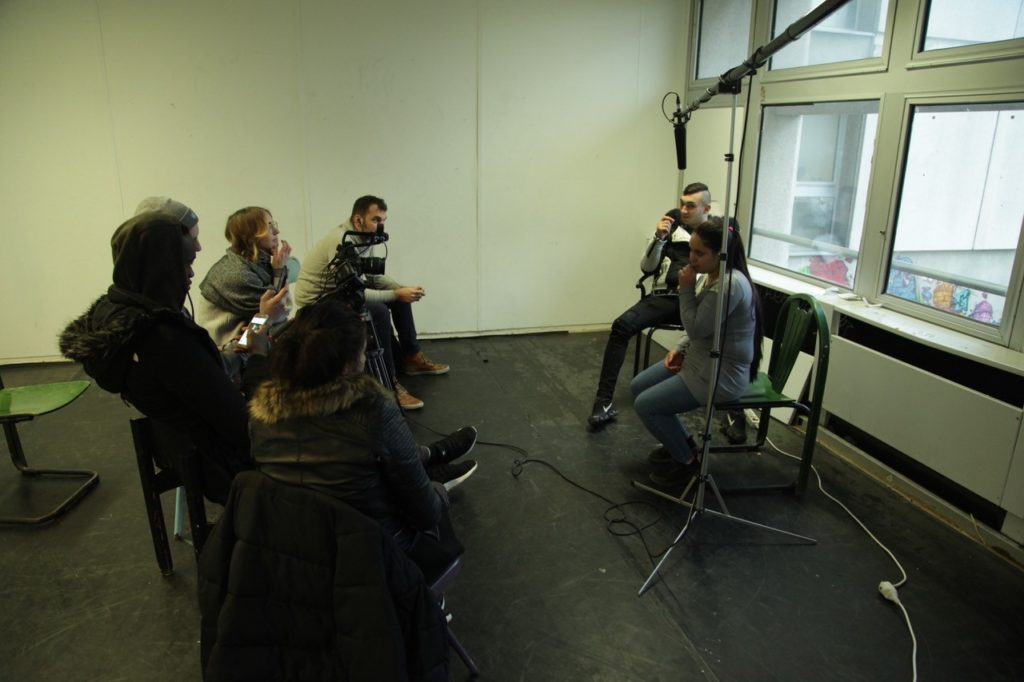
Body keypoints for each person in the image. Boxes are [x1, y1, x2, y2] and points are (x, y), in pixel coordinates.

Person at [59, 197, 276, 503]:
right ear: (163, 267)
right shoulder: (165, 337)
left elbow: (204, 372)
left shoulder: (121, 317)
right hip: (229, 468)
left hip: (188, 454)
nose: (191, 274)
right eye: (186, 263)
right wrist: (257, 355)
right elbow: (246, 429)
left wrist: (243, 345)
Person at [247, 298, 476, 584]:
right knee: (435, 494)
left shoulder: (261, 417)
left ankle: (431, 455)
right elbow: (426, 514)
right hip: (374, 555)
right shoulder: (372, 412)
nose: (366, 357)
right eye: (363, 351)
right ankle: (431, 469)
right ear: (346, 367)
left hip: (295, 554)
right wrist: (436, 495)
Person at [629, 217, 764, 487]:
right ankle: (682, 444)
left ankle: (687, 462)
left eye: (700, 253)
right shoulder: (714, 275)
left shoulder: (728, 285)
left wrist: (686, 289)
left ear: (721, 254)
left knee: (646, 405)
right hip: (699, 361)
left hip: (718, 375)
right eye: (691, 249)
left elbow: (696, 328)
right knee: (638, 386)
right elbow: (701, 330)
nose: (691, 258)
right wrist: (680, 349)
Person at [293, 195, 448, 410]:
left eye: (383, 220)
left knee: (399, 299)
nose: (381, 225)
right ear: (358, 220)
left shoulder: (364, 238)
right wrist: (396, 294)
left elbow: (371, 278)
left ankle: (412, 357)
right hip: (316, 304)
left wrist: (400, 289)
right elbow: (356, 291)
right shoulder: (342, 241)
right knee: (379, 311)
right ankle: (388, 383)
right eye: (376, 220)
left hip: (338, 293)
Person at [587, 182, 711, 430]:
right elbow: (647, 267)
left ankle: (735, 413)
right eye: (682, 204)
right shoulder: (673, 223)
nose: (683, 210)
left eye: (690, 206)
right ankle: (603, 401)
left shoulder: (716, 233)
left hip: (699, 302)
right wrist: (658, 238)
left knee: (726, 334)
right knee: (621, 326)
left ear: (706, 208)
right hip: (665, 299)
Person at [196, 206, 291, 349]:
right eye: (269, 226)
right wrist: (278, 271)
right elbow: (277, 310)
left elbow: (271, 317)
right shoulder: (234, 272)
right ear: (251, 235)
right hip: (228, 353)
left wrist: (278, 269)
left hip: (248, 343)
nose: (276, 231)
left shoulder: (256, 264)